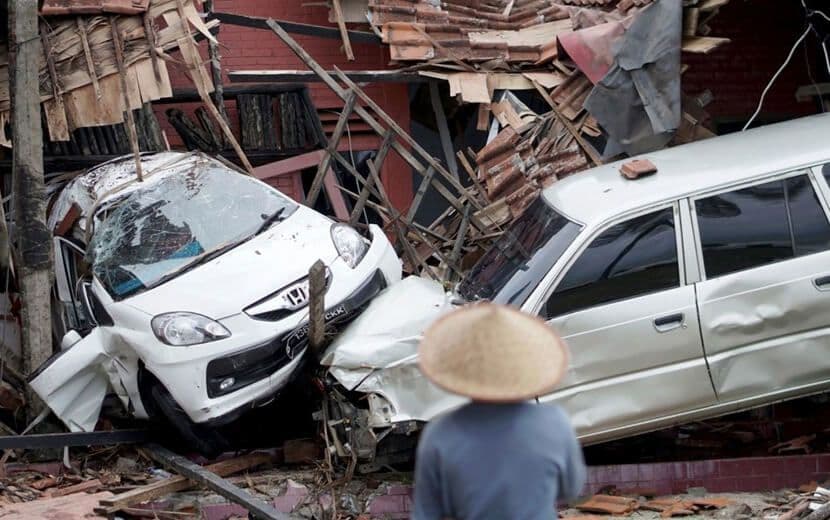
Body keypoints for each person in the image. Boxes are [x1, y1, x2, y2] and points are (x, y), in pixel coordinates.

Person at [412, 303, 586, 520]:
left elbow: (426, 513)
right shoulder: (555, 422)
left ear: (464, 371)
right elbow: (571, 488)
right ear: (524, 368)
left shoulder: (440, 434)